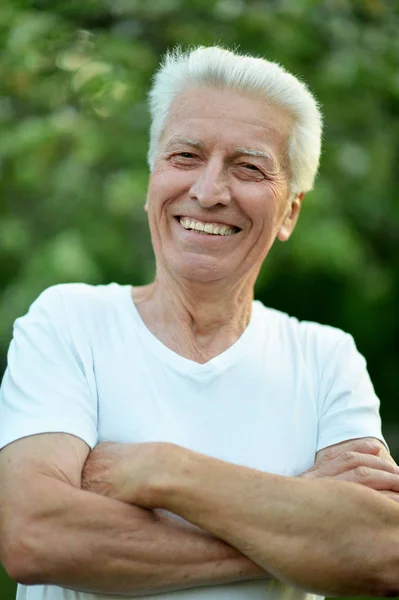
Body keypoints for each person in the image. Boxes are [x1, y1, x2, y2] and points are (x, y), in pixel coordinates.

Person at [0, 45, 398, 600]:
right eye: (185, 156)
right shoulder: (68, 322)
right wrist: (296, 521)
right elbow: (34, 537)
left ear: (289, 212)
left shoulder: (326, 359)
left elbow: (383, 553)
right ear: (151, 182)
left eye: (249, 167)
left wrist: (163, 470)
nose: (209, 192)